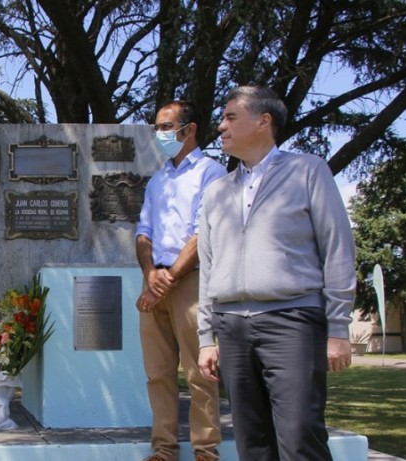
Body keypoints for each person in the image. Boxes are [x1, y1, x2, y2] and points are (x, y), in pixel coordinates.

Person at [197, 86, 355, 461]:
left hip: (293, 322)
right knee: (253, 443)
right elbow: (208, 265)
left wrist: (338, 328)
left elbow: (337, 248)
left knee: (300, 436)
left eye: (231, 117)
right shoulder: (216, 192)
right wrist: (206, 337)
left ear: (264, 121)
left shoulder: (308, 171)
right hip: (232, 327)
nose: (221, 127)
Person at [135, 101, 226, 461]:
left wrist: (169, 278)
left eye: (166, 127)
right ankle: (164, 450)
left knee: (199, 371)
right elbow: (143, 233)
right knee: (157, 374)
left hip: (191, 281)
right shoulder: (158, 180)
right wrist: (151, 275)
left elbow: (203, 234)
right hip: (155, 282)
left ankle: (206, 451)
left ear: (189, 130)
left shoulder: (211, 172)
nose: (160, 135)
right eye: (157, 127)